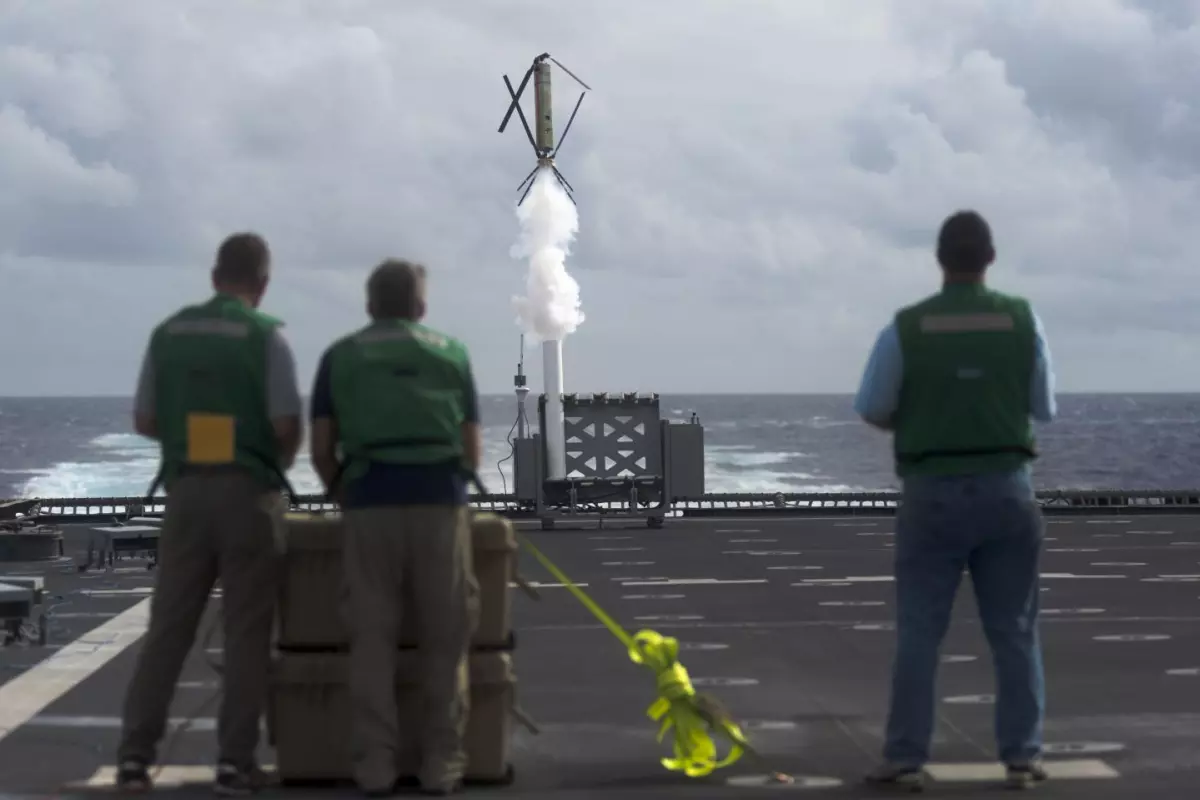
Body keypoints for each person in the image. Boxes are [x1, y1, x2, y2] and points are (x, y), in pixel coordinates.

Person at [853, 210, 1057, 791]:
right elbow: (1044, 407)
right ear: (988, 259)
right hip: (1007, 489)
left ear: (940, 260)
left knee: (920, 632)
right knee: (1015, 629)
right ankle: (1022, 756)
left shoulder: (907, 328)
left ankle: (904, 757)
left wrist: (925, 420)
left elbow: (872, 405)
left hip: (931, 492)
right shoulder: (1023, 321)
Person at [116, 232, 303, 795]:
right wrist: (270, 464)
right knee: (248, 634)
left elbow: (145, 421)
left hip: (186, 494)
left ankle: (133, 758)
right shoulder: (267, 338)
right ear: (262, 284)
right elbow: (286, 424)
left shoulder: (168, 334)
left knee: (168, 630)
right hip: (249, 495)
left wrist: (193, 435)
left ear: (214, 275)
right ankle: (234, 763)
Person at [309, 259, 482, 797]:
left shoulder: (340, 357)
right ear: (421, 307)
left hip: (368, 504)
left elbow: (320, 449)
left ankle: (376, 767)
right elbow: (472, 451)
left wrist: (347, 493)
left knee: (371, 641)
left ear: (369, 305)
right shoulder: (452, 353)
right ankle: (442, 765)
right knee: (445, 640)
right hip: (439, 504)